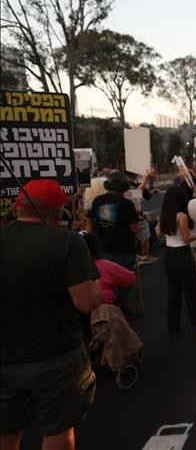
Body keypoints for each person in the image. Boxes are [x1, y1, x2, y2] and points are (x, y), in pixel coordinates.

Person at [1, 179, 102, 450]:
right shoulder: (67, 242)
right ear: (59, 212)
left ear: (17, 207)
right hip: (57, 357)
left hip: (5, 358)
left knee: (6, 433)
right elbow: (86, 302)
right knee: (58, 430)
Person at [156, 186, 196, 333]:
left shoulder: (164, 215)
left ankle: (172, 324)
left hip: (168, 255)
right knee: (192, 290)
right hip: (182, 254)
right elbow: (186, 239)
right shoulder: (182, 216)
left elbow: (158, 232)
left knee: (173, 291)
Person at [87, 170, 141, 317]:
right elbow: (134, 228)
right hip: (123, 248)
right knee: (124, 281)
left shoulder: (97, 200)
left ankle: (109, 311)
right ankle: (119, 310)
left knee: (106, 281)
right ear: (124, 186)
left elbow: (91, 220)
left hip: (102, 247)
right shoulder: (126, 204)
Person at [80, 232, 136, 307]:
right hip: (105, 306)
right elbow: (130, 278)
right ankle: (121, 308)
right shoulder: (105, 264)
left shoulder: (72, 267)